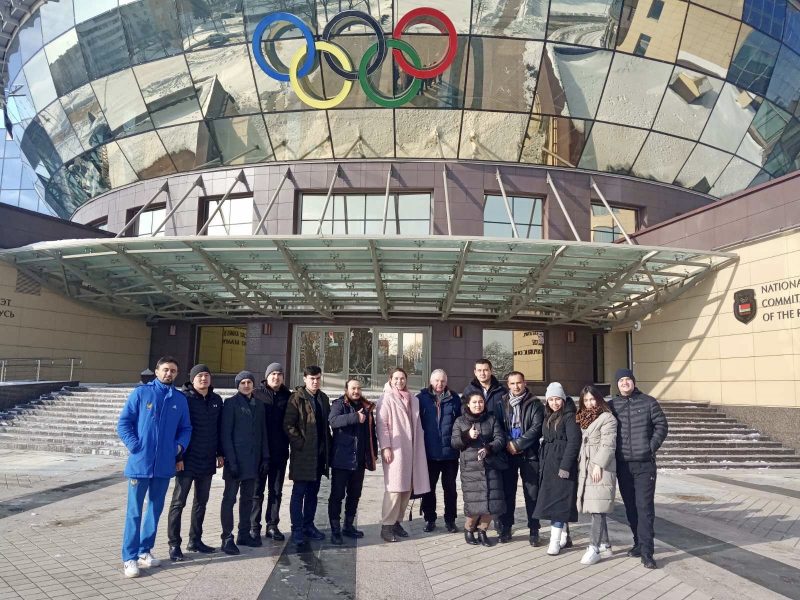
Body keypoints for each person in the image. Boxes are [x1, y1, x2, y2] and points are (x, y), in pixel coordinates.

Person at [117, 356, 191, 578]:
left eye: (173, 370)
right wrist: (135, 445)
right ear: (157, 371)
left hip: (164, 465)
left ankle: (144, 551)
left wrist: (178, 447)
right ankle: (129, 557)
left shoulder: (179, 399)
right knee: (134, 512)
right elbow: (124, 422)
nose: (169, 373)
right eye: (165, 369)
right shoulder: (142, 393)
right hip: (140, 463)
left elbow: (186, 428)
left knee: (154, 510)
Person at [609, 368, 669, 569]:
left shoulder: (648, 402)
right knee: (630, 507)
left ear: (633, 382)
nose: (624, 383)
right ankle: (638, 542)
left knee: (644, 507)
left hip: (644, 465)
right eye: (621, 380)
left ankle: (647, 552)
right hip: (623, 465)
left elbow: (662, 426)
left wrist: (650, 448)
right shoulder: (612, 405)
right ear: (617, 384)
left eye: (628, 379)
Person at [167, 364, 224, 561]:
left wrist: (220, 453)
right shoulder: (184, 399)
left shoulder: (216, 400)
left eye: (207, 375)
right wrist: (178, 457)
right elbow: (176, 429)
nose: (203, 378)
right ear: (192, 379)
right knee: (178, 502)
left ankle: (195, 540)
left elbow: (219, 429)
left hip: (207, 459)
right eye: (199, 376)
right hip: (187, 460)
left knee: (201, 502)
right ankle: (174, 544)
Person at [376, 367, 430, 543]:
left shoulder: (413, 399)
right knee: (394, 489)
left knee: (407, 488)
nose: (399, 381)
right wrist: (386, 447)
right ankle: (386, 525)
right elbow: (382, 425)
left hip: (412, 448)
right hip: (396, 449)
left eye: (402, 378)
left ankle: (397, 522)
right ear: (390, 380)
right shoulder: (386, 398)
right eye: (396, 378)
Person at [219, 371, 270, 555]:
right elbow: (226, 435)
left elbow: (263, 432)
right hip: (235, 461)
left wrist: (265, 457)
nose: (246, 385)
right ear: (238, 385)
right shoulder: (230, 404)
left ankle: (244, 534)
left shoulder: (259, 405)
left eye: (249, 382)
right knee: (229, 499)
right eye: (243, 383)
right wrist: (231, 461)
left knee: (248, 499)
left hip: (252, 461)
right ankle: (227, 537)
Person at [284, 365, 332, 546]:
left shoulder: (323, 398)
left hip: (319, 455)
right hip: (303, 455)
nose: (315, 382)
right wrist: (300, 444)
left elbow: (326, 426)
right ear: (305, 379)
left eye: (318, 378)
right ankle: (297, 529)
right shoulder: (296, 398)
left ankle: (308, 525)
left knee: (313, 493)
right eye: (312, 378)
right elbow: (288, 425)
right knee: (299, 493)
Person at [451, 392, 506, 547]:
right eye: (474, 402)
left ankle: (483, 531)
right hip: (471, 469)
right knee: (474, 503)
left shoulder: (491, 419)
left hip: (490, 466)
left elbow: (500, 439)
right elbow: (454, 443)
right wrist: (467, 436)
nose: (478, 405)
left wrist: (489, 448)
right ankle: (469, 529)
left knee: (492, 502)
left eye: (480, 402)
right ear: (468, 404)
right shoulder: (460, 421)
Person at [533, 382, 581, 556]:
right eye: (551, 399)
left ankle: (554, 542)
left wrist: (565, 466)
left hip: (562, 465)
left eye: (557, 399)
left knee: (559, 503)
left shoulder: (570, 416)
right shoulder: (549, 416)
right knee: (554, 501)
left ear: (563, 399)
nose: (554, 403)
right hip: (549, 464)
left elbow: (574, 442)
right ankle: (564, 537)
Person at [328, 378, 377, 544]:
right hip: (341, 459)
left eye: (358, 388)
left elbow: (371, 432)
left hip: (359, 460)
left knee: (354, 495)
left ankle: (348, 526)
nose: (356, 391)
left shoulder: (366, 406)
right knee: (337, 495)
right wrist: (355, 417)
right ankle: (335, 530)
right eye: (353, 388)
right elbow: (333, 421)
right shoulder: (339, 404)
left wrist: (373, 452)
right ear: (346, 389)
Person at [496, 371, 544, 545]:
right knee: (508, 492)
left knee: (532, 493)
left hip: (529, 454)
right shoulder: (501, 403)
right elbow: (498, 427)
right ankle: (506, 527)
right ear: (508, 385)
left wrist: (518, 444)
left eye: (519, 383)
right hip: (508, 454)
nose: (516, 386)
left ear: (525, 383)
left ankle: (534, 529)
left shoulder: (535, 403)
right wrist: (508, 444)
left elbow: (536, 428)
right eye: (512, 383)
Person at [576, 385, 618, 565]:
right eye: (586, 400)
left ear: (599, 399)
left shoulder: (607, 418)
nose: (589, 403)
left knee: (598, 508)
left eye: (592, 399)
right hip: (586, 467)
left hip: (601, 468)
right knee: (596, 506)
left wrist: (598, 465)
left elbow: (608, 444)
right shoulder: (583, 418)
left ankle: (593, 547)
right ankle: (605, 544)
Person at [251, 362, 291, 542]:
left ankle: (272, 525)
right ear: (267, 376)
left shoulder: (288, 396)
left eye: (279, 374)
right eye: (273, 374)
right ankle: (254, 527)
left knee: (276, 491)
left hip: (279, 452)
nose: (276, 377)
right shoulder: (256, 394)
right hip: (259, 453)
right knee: (257, 492)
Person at [418, 369, 461, 533]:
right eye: (436, 380)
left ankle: (450, 520)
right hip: (429, 453)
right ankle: (430, 519)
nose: (439, 384)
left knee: (450, 489)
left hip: (450, 454)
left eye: (442, 381)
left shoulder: (454, 399)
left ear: (446, 381)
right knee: (429, 489)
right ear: (431, 381)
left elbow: (460, 422)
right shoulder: (421, 398)